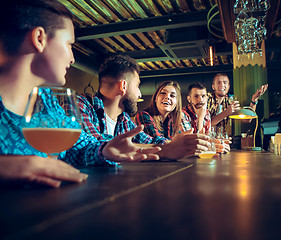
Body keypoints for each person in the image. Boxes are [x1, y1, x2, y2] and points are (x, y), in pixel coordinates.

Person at [0, 0, 161, 188]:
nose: (72, 57)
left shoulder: (47, 102)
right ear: (39, 39)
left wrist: (105, 150)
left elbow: (78, 147)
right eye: (69, 44)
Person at [77, 56, 210, 160]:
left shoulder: (124, 119)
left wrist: (188, 145)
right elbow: (95, 146)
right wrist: (167, 149)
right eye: (137, 85)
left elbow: (151, 141)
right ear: (123, 86)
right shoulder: (81, 105)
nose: (139, 94)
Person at [183, 83, 230, 153]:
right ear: (189, 99)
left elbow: (207, 139)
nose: (200, 100)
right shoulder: (183, 114)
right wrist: (200, 118)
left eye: (203, 96)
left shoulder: (207, 113)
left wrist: (218, 143)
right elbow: (191, 144)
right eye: (196, 96)